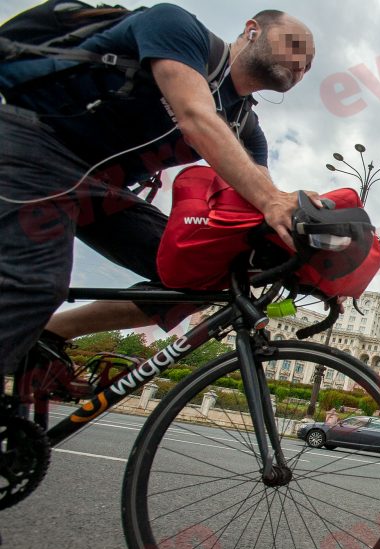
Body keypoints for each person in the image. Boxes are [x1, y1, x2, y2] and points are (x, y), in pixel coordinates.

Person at [0, 5, 318, 383]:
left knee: (201, 276)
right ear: (252, 30)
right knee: (34, 285)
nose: (301, 64)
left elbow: (262, 199)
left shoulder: (246, 127)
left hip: (101, 190)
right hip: (31, 142)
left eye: (310, 64)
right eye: (296, 46)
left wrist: (306, 242)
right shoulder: (177, 27)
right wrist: (273, 200)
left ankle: (51, 333)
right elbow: (195, 116)